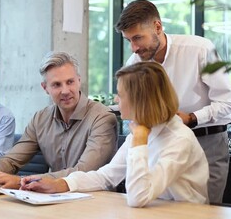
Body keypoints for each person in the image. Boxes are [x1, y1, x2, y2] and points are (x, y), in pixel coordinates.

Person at [20, 62, 209, 207]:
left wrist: (140, 140)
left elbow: (138, 197)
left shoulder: (178, 139)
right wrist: (59, 184)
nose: (116, 99)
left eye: (120, 94)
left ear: (139, 100)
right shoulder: (142, 130)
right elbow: (107, 176)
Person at [114, 0, 231, 203]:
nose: (134, 48)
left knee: (205, 210)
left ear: (157, 26)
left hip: (208, 141)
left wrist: (191, 118)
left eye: (137, 38)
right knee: (161, 205)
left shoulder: (200, 49)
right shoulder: (135, 61)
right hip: (162, 143)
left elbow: (228, 102)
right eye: (128, 40)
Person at [0, 51, 118, 190]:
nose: (65, 91)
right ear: (45, 88)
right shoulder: (40, 119)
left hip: (96, 200)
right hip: (55, 201)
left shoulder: (102, 117)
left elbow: (84, 171)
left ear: (79, 81)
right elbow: (12, 160)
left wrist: (22, 181)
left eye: (70, 82)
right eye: (56, 85)